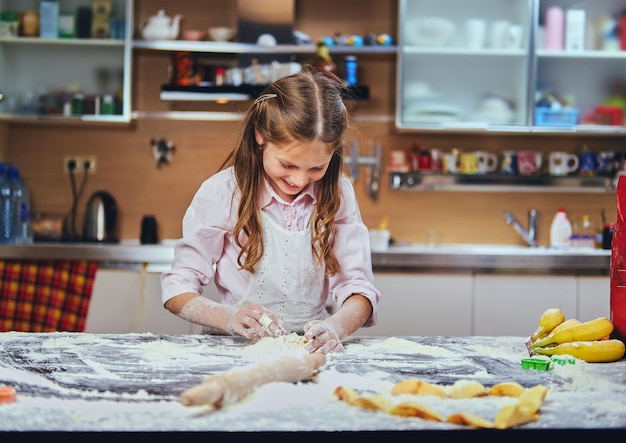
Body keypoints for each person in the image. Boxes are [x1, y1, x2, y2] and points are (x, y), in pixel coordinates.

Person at [160, 65, 380, 354]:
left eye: (316, 168)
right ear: (260, 136)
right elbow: (178, 286)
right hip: (234, 349)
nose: (299, 180)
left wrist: (336, 327)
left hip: (310, 351)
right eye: (287, 164)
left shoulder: (338, 192)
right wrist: (228, 317)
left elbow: (358, 286)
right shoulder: (223, 193)